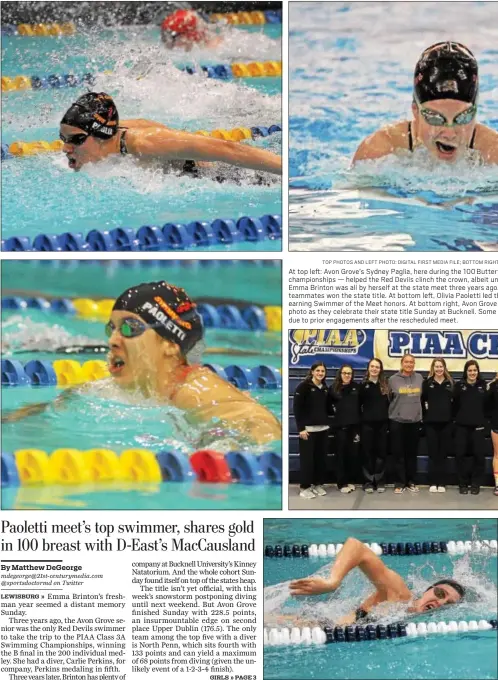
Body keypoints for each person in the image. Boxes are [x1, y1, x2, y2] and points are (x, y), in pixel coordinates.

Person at [2, 282, 281, 447]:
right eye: (111, 328)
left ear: (171, 344)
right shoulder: (116, 387)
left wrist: (221, 445)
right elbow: (53, 407)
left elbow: (262, 425)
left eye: (129, 328)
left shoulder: (195, 390)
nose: (112, 340)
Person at [59, 92, 282, 175]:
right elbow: (147, 123)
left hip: (233, 176)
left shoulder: (144, 144)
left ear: (101, 135)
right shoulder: (111, 138)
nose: (65, 148)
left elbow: (227, 149)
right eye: (63, 139)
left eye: (75, 140)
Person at [353, 42, 498, 165]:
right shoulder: (378, 154)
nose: (449, 133)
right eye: (435, 118)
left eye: (462, 118)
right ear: (415, 110)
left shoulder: (493, 154)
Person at [287, 537, 465, 626]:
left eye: (448, 604)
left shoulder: (412, 619)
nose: (441, 602)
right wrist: (332, 583)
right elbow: (356, 547)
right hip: (313, 624)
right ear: (428, 589)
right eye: (441, 593)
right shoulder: (401, 595)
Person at [293, 362, 330, 500]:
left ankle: (317, 484)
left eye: (323, 371)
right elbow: (297, 409)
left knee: (320, 460)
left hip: (323, 429)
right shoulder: (303, 387)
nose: (320, 373)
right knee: (307, 460)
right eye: (318, 371)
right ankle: (305, 487)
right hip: (308, 431)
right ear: (312, 372)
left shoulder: (325, 388)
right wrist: (301, 429)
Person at [388, 354, 423, 494]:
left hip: (414, 422)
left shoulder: (419, 378)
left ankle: (411, 481)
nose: (409, 364)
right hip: (397, 422)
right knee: (398, 454)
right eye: (407, 362)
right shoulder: (392, 380)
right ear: (402, 363)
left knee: (411, 454)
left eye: (412, 362)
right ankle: (400, 482)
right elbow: (389, 398)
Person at [453, 360, 488, 495]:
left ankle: (475, 483)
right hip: (461, 427)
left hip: (478, 427)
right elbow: (454, 406)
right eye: (470, 370)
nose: (472, 373)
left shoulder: (483, 387)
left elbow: (487, 407)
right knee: (460, 455)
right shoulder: (459, 386)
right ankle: (463, 484)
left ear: (478, 372)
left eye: (475, 370)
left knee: (479, 457)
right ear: (466, 372)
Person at [421, 358, 454, 493]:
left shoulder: (450, 383)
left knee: (443, 454)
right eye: (436, 366)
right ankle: (432, 482)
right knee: (433, 454)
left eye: (441, 366)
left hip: (446, 424)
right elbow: (422, 402)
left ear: (444, 368)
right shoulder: (427, 383)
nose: (439, 369)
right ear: (433, 368)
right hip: (431, 424)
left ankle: (442, 483)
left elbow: (455, 403)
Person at [359, 358, 389, 493]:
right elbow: (357, 406)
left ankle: (380, 480)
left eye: (377, 367)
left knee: (381, 453)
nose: (375, 369)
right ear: (368, 368)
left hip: (382, 425)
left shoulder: (385, 386)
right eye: (372, 366)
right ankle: (368, 481)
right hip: (367, 425)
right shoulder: (363, 385)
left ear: (380, 369)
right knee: (367, 453)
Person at [328, 365, 360, 494]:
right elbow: (327, 406)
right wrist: (336, 412)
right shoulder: (333, 389)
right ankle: (341, 483)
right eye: (345, 373)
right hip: (340, 428)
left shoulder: (356, 388)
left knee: (351, 456)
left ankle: (348, 480)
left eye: (349, 373)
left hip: (354, 427)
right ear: (340, 374)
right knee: (340, 456)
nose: (347, 375)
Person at [488, 373, 498, 496]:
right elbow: (487, 405)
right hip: (496, 424)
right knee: (497, 454)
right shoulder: (493, 386)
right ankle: (497, 484)